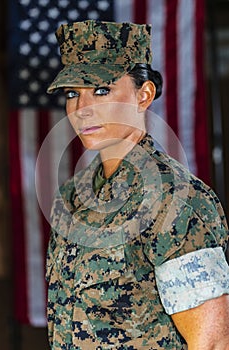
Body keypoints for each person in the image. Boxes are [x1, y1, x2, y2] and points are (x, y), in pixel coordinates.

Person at [46, 20, 229, 349]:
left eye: (102, 90)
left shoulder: (175, 200)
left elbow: (212, 341)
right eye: (73, 93)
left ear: (144, 95)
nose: (81, 109)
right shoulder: (74, 197)